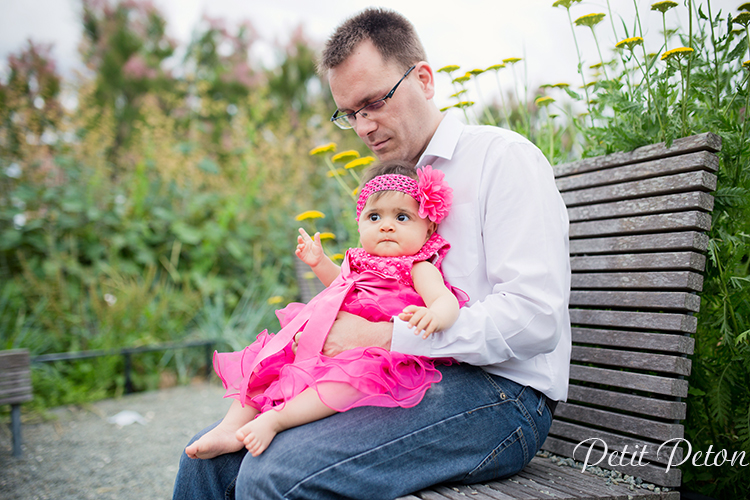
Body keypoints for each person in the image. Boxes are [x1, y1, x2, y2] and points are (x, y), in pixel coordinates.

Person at [173, 7, 571, 500]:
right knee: (208, 464)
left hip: (502, 396)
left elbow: (536, 318)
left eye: (375, 102)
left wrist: (388, 336)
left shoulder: (501, 159)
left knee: (273, 473)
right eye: (350, 114)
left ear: (424, 79)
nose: (364, 126)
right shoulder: (389, 191)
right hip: (406, 377)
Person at [184, 161, 466, 459]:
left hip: (371, 351)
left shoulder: (417, 266)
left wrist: (435, 316)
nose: (386, 225)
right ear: (360, 224)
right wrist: (320, 263)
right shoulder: (358, 261)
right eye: (374, 216)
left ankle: (277, 419)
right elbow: (340, 287)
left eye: (401, 216)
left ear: (429, 227)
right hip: (329, 340)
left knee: (352, 380)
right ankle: (230, 426)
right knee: (268, 359)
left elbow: (444, 300)